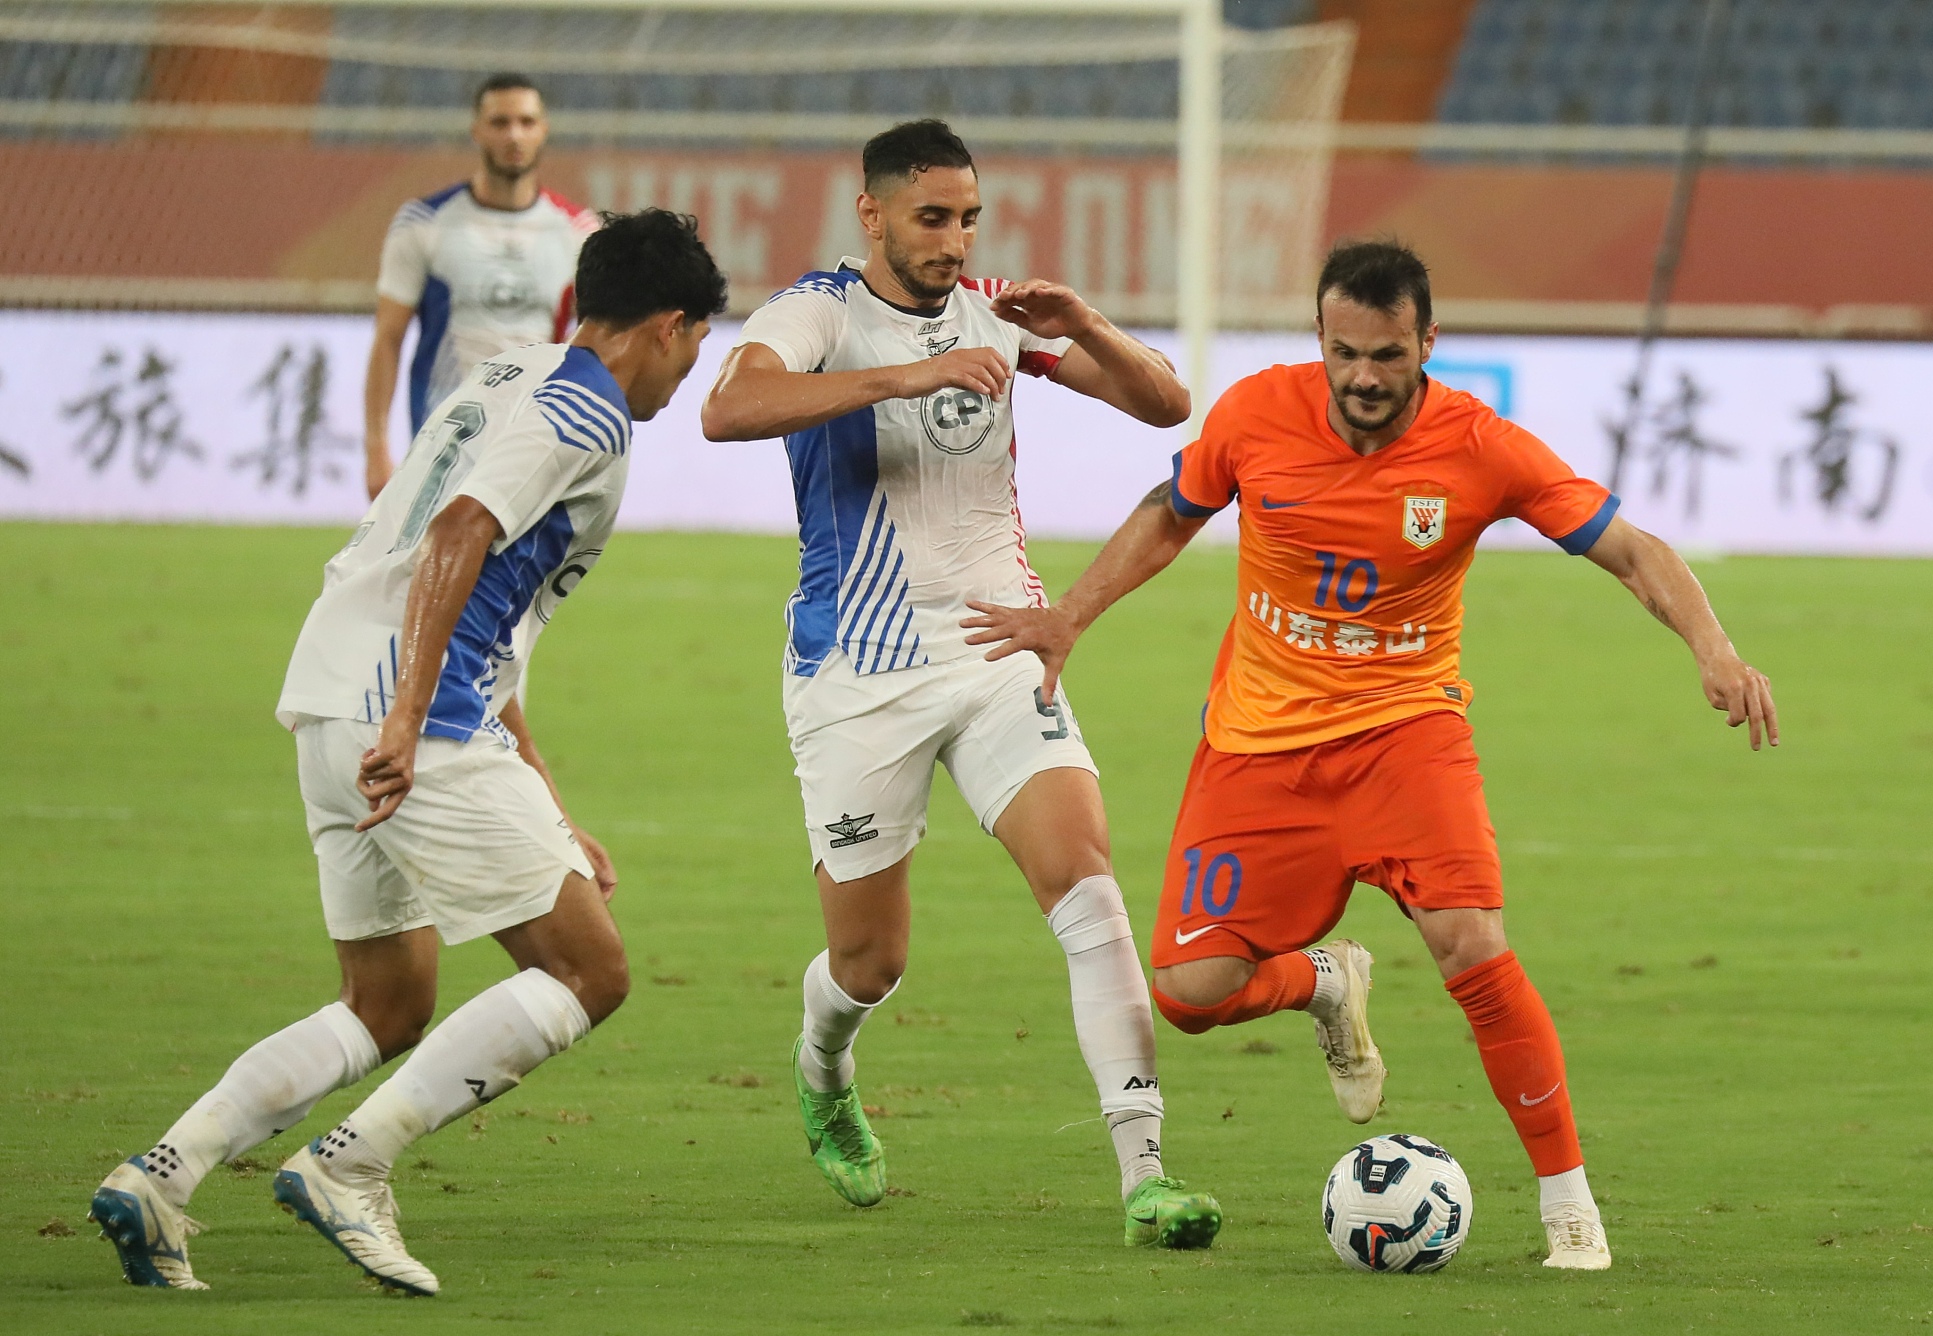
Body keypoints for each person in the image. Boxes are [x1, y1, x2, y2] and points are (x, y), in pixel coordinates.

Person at [962, 240, 1779, 1272]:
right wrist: (1067, 617)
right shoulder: (1257, 413)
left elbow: (1628, 548)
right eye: (1344, 351)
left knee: (1470, 947)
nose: (1362, 377)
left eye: (1386, 355)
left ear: (1426, 343)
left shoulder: (1480, 447)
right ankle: (1320, 982)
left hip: (1404, 739)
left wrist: (1712, 646)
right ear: (1318, 339)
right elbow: (1167, 518)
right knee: (1186, 992)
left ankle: (1567, 1205)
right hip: (1257, 751)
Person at [88, 210, 728, 1295]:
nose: (687, 370)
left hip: (335, 697)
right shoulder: (588, 413)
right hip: (409, 721)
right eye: (697, 342)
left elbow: (489, 607)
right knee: (589, 969)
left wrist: (542, 795)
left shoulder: (508, 375)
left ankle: (160, 1178)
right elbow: (457, 535)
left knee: (385, 1001)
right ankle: (353, 1167)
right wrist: (408, 720)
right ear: (668, 326)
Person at [700, 118, 1221, 1248]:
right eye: (933, 216)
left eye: (970, 216)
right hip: (858, 668)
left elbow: (1166, 406)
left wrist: (1080, 321)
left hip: (997, 647)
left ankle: (1144, 1178)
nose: (955, 238)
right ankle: (824, 1069)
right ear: (873, 213)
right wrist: (911, 372)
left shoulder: (997, 312)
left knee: (1086, 890)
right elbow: (725, 410)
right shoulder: (816, 313)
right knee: (868, 962)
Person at [362, 72, 598, 500]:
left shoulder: (578, 233)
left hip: (535, 432)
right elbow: (388, 338)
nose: (514, 135)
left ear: (544, 130)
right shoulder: (423, 225)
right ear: (476, 130)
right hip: (445, 433)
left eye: (527, 122)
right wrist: (376, 449)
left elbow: (596, 342)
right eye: (500, 122)